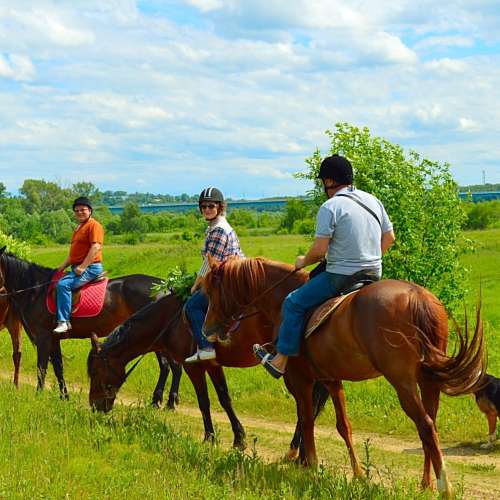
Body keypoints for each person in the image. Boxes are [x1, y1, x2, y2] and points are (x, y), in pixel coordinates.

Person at [254, 154, 395, 378]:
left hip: (341, 276)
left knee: (293, 303)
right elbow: (390, 238)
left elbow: (320, 251)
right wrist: (369, 257)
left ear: (328, 181)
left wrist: (303, 261)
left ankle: (280, 361)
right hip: (374, 273)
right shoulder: (372, 200)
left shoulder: (330, 206)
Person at [184, 187, 244, 362]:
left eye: (211, 205)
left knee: (192, 306)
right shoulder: (214, 227)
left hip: (228, 279)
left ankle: (205, 347)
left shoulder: (218, 229)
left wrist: (196, 286)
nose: (207, 209)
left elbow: (211, 264)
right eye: (203, 206)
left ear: (220, 207)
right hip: (224, 275)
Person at [53, 197, 105, 334]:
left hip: (90, 267)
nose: (79, 212)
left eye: (83, 210)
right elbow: (73, 255)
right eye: (76, 211)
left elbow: (95, 247)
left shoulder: (94, 226)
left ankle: (64, 321)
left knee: (63, 285)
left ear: (90, 211)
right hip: (77, 266)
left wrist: (82, 267)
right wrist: (61, 267)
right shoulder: (79, 228)